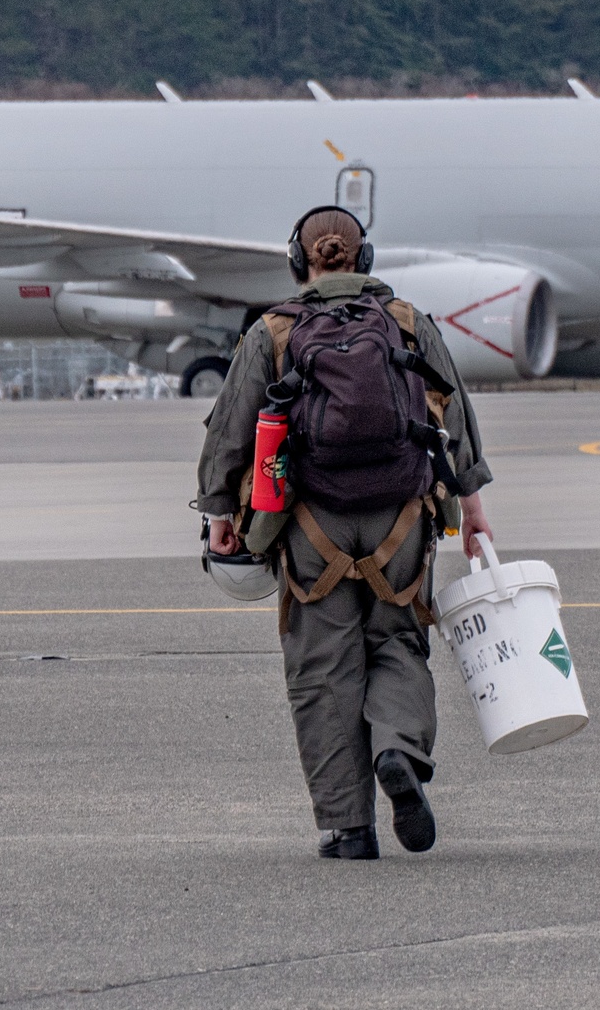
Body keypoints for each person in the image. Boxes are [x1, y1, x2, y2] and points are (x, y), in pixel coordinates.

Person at [196, 206, 493, 860]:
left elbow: (229, 434)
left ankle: (346, 828)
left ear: (299, 263)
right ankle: (398, 748)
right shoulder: (409, 323)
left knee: (321, 667)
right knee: (397, 643)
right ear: (367, 258)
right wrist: (471, 511)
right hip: (403, 517)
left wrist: (220, 517)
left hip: (308, 524)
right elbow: (457, 420)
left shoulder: (272, 332)